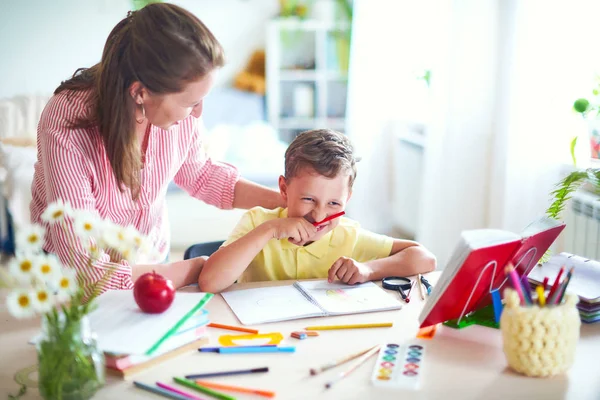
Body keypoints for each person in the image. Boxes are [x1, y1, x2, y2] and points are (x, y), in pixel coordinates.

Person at [30, 3, 283, 293]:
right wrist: (192, 269)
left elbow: (201, 174)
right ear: (140, 92)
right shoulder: (67, 122)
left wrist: (284, 203)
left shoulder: (178, 114)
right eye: (190, 103)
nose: (199, 114)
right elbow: (85, 269)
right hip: (74, 277)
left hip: (151, 259)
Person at [199, 129, 437, 293]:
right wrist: (269, 230)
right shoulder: (257, 222)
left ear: (348, 199)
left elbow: (425, 258)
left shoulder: (347, 234)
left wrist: (368, 269)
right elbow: (210, 281)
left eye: (334, 203)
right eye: (308, 199)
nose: (320, 216)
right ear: (284, 188)